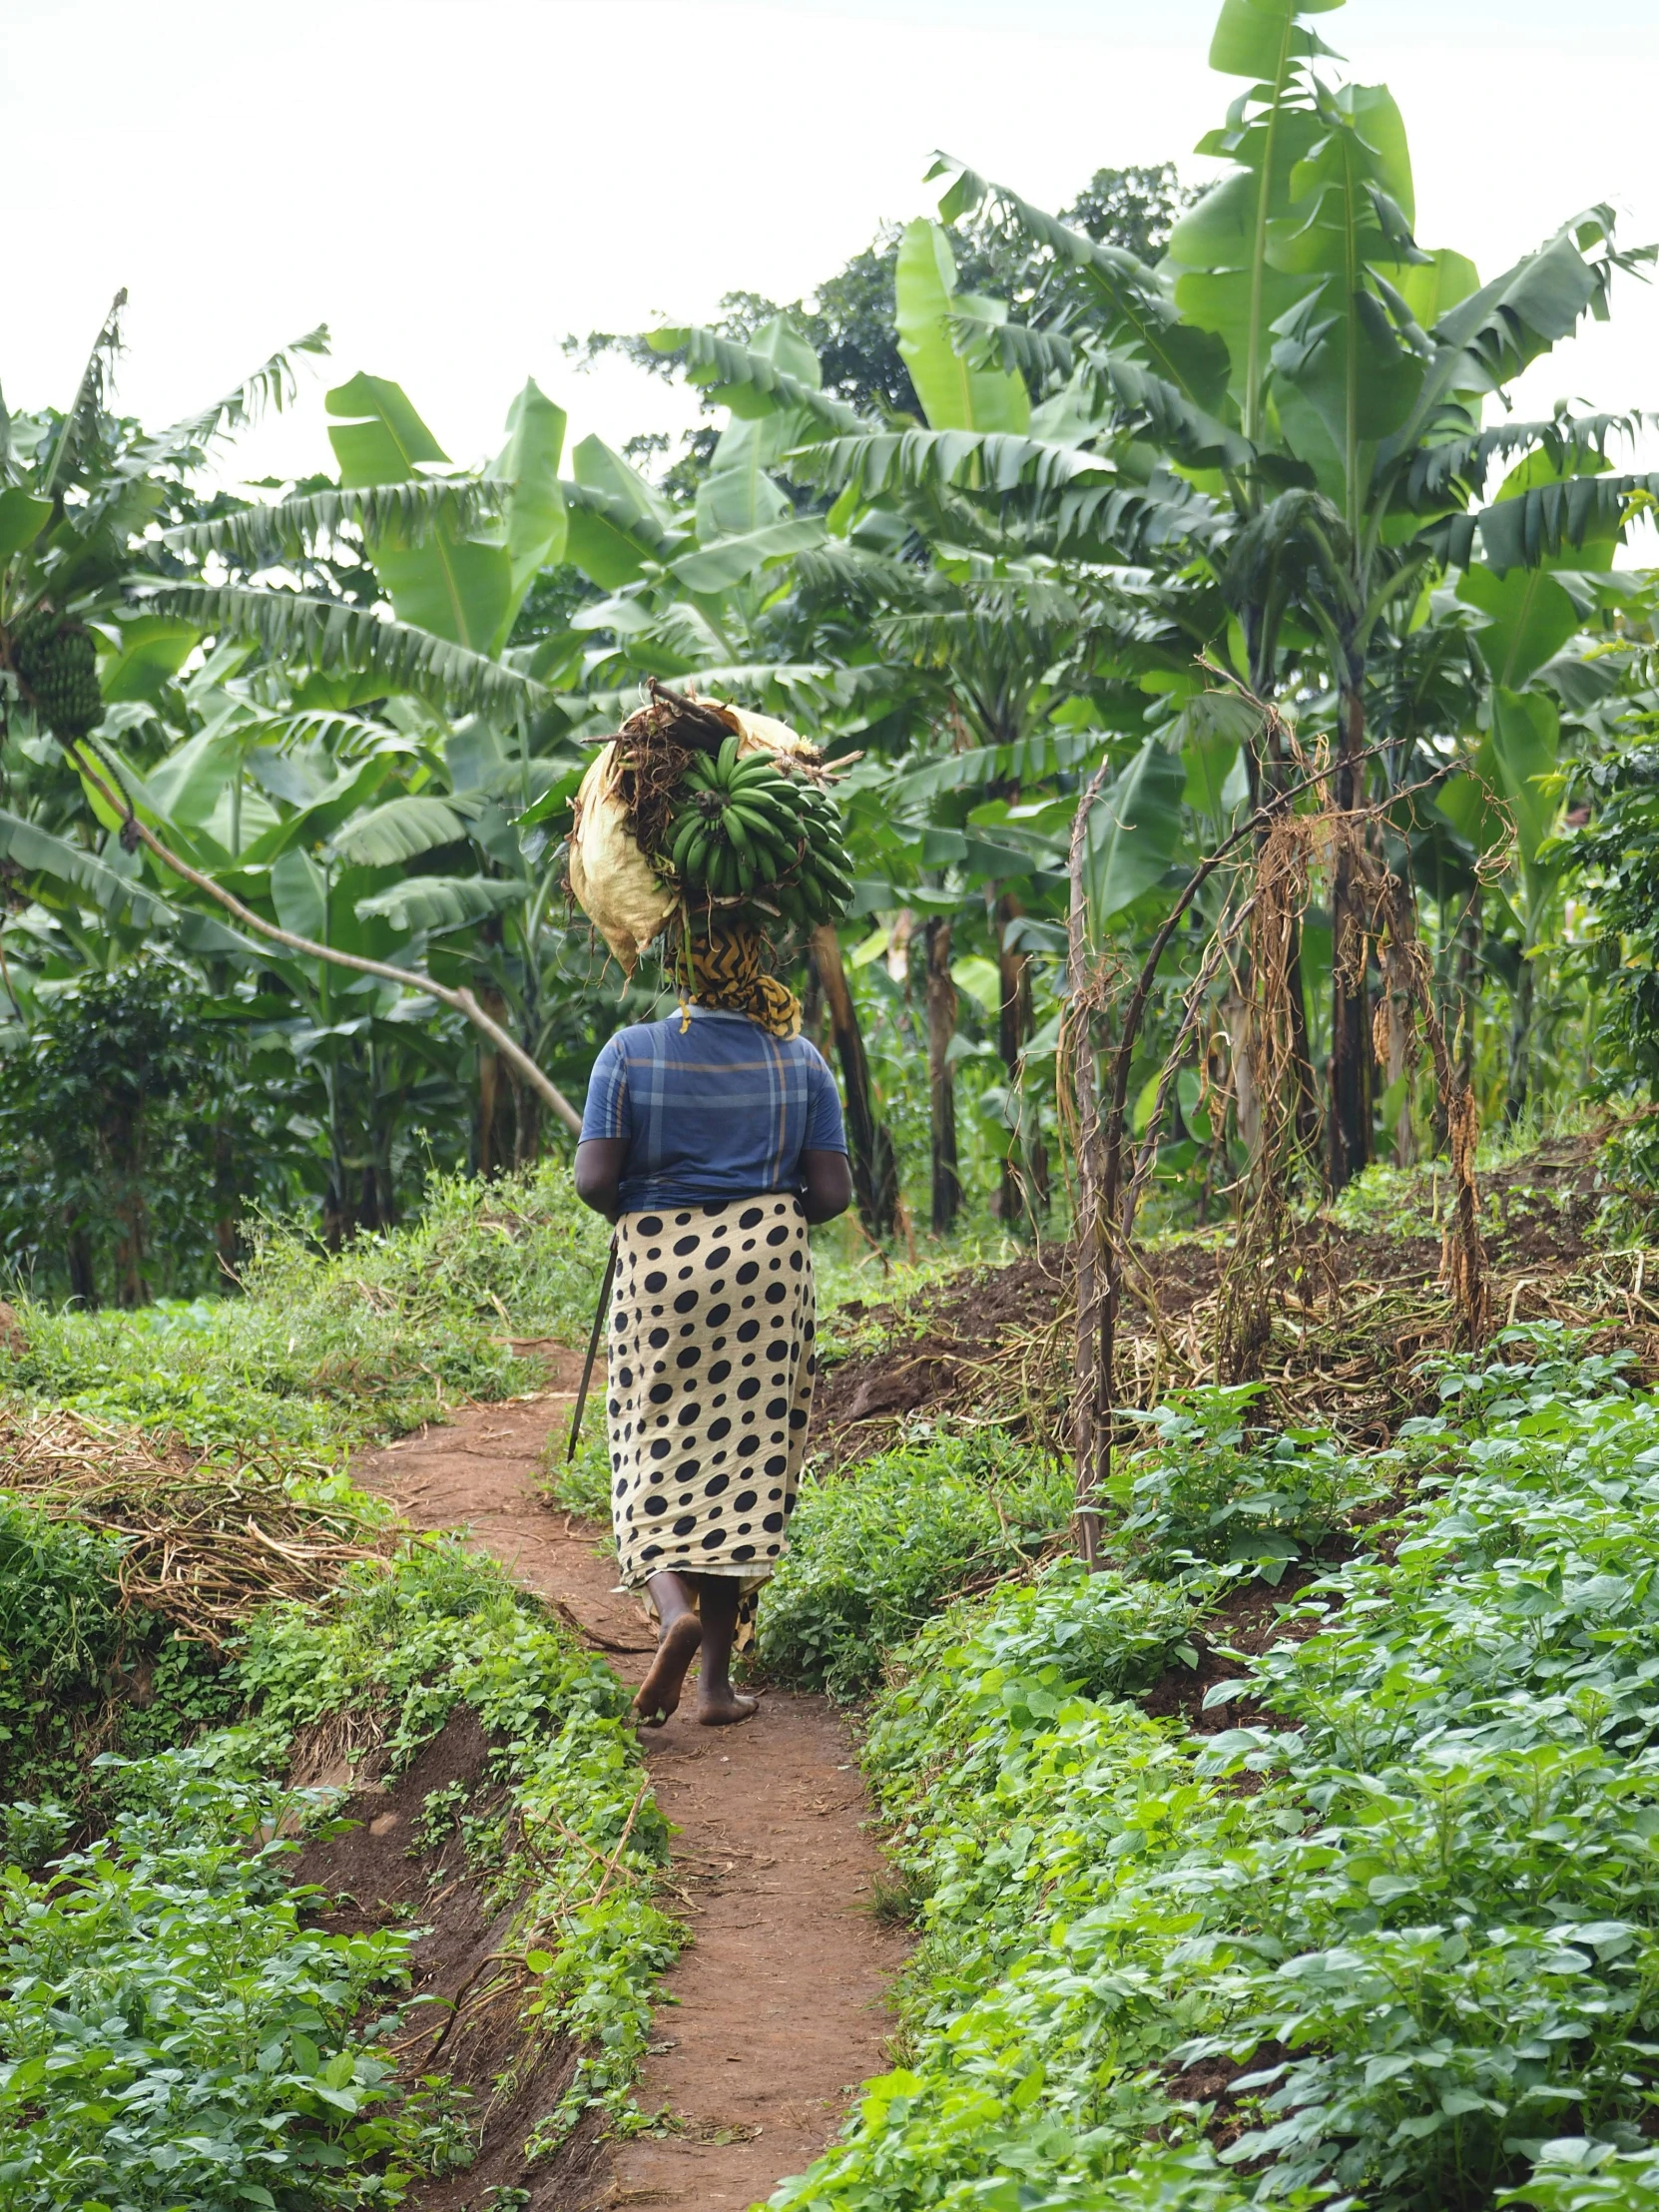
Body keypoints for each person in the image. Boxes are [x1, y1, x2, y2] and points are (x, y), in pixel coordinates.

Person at [574, 921, 852, 1726]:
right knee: (741, 1460)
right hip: (767, 1273)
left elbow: (596, 1179)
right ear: (755, 964)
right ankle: (716, 1689)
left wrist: (652, 1199)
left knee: (648, 1445)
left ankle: (672, 1614)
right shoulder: (800, 1060)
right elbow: (831, 1194)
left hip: (661, 1269)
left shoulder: (628, 1052)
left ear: (681, 971)